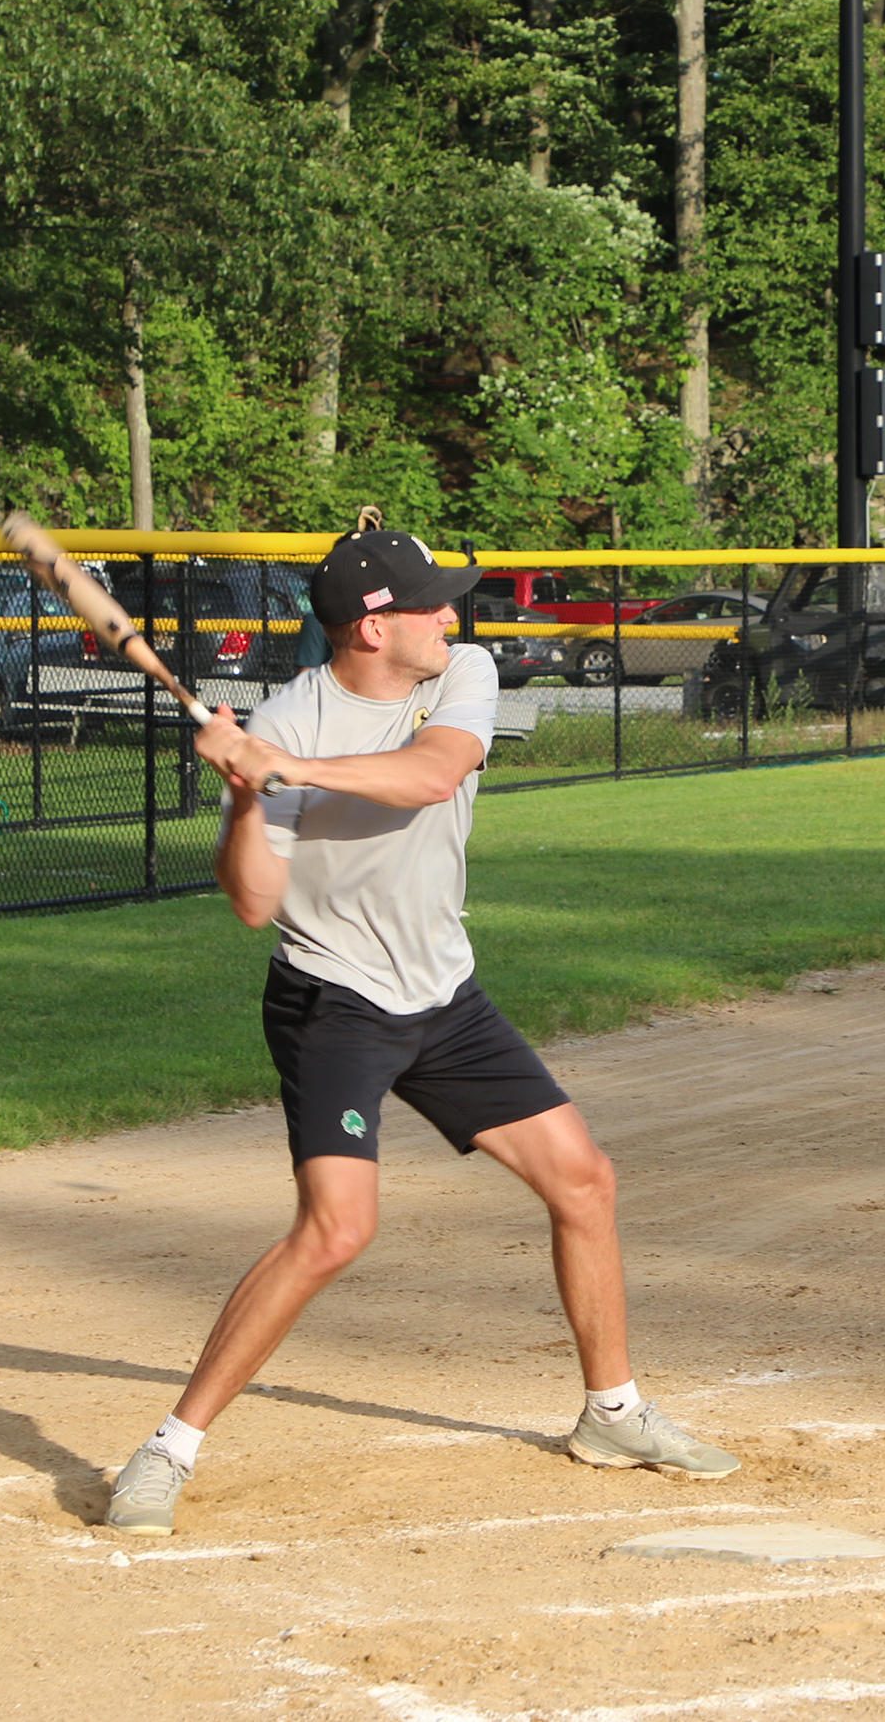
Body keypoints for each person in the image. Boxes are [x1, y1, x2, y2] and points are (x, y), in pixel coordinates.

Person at [104, 527, 737, 1538]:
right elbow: (254, 904)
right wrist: (244, 796)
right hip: (333, 1000)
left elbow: (432, 775)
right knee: (337, 1229)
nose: (452, 614)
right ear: (372, 624)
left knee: (584, 1177)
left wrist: (288, 765)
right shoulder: (289, 716)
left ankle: (611, 1413)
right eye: (431, 602)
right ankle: (166, 1448)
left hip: (443, 991)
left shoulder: (457, 672)